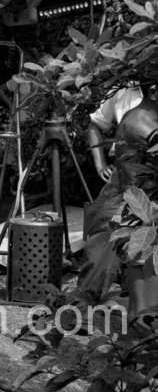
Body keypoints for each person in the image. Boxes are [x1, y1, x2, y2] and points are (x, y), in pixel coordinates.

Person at [75, 82, 158, 318]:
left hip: (146, 183)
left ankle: (134, 312)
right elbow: (95, 125)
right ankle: (80, 310)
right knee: (103, 242)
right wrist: (100, 164)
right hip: (126, 181)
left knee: (140, 259)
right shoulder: (124, 92)